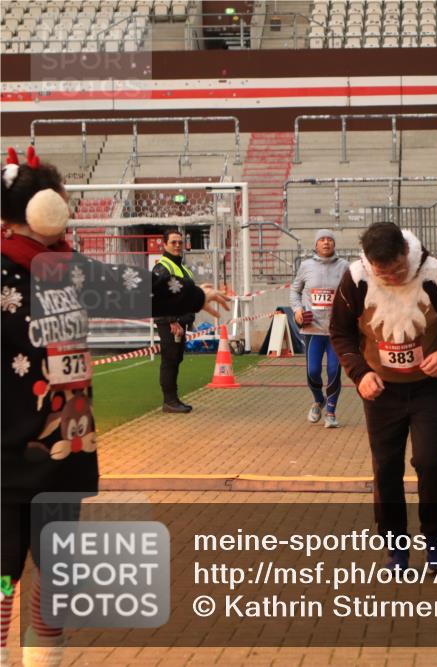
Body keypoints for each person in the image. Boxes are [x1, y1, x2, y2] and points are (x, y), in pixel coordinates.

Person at [1, 147, 228, 666]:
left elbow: (137, 287)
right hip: (3, 458)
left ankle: (46, 659)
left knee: (57, 569)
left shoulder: (68, 269)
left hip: (66, 450)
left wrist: (194, 295)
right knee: (2, 573)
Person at [331, 222, 437, 570]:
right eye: (384, 274)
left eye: (397, 270)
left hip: (430, 390)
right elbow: (339, 332)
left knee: (430, 463)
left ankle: (435, 542)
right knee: (386, 470)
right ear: (369, 263)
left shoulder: (435, 272)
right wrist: (360, 373)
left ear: (405, 254)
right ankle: (396, 545)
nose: (393, 279)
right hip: (382, 393)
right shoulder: (355, 279)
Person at [289, 229, 349, 428]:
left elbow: (353, 294)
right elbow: (294, 291)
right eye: (322, 240)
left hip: (336, 331)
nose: (326, 243)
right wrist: (297, 311)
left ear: (334, 244)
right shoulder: (306, 266)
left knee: (333, 370)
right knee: (313, 371)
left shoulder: (344, 267)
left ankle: (330, 412)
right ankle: (319, 400)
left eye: (329, 240)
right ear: (316, 245)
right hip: (312, 329)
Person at [152, 228, 198, 413]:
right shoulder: (162, 267)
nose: (178, 245)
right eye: (173, 242)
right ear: (164, 244)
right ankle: (169, 401)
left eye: (180, 242)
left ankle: (173, 399)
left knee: (176, 359)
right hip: (170, 322)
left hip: (180, 321)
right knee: (170, 360)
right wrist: (172, 321)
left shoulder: (181, 267)